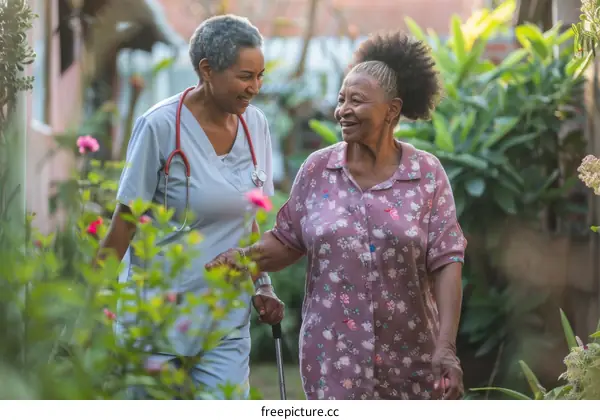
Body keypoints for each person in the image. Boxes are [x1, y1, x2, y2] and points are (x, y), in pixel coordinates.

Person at [206, 31, 467, 400]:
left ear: (392, 110)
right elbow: (287, 240)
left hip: (412, 360)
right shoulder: (317, 170)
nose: (342, 110)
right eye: (341, 98)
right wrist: (244, 259)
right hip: (332, 360)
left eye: (357, 101)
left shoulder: (426, 174)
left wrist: (446, 348)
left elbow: (447, 261)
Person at [98, 14, 284, 399]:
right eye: (245, 76)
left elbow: (248, 217)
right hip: (156, 319)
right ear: (207, 70)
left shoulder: (257, 127)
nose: (255, 87)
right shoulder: (160, 126)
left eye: (260, 75)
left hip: (222, 320)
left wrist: (262, 282)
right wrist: (83, 306)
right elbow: (125, 222)